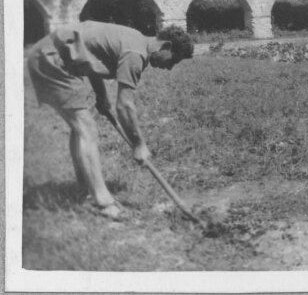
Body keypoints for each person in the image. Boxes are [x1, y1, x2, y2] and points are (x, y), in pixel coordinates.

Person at [27, 20, 194, 219]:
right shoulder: (136, 53)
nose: (170, 68)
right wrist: (139, 144)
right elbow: (124, 106)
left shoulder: (136, 40)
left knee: (80, 128)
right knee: (86, 128)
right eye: (173, 60)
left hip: (52, 55)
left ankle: (83, 190)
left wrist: (101, 96)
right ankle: (103, 202)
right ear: (166, 46)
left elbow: (90, 61)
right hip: (51, 59)